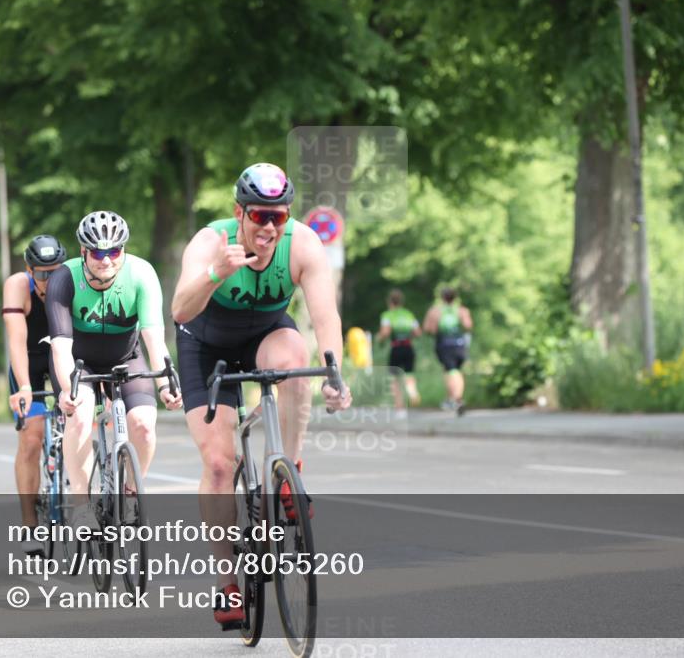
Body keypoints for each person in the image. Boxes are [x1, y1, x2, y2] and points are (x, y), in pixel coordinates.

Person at [170, 162, 352, 630]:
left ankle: (287, 473)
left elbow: (325, 315)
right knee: (218, 463)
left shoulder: (303, 244)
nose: (269, 227)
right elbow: (179, 309)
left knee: (295, 361)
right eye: (259, 216)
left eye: (278, 216)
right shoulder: (212, 242)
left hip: (265, 332)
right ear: (239, 213)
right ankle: (228, 583)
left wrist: (334, 373)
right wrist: (214, 273)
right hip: (204, 343)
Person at [46, 211, 182, 511]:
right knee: (80, 415)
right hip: (79, 363)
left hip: (125, 358)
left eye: (114, 251)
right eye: (97, 252)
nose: (105, 259)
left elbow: (153, 338)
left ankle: (131, 491)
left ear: (124, 250)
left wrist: (165, 385)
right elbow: (60, 347)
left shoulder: (142, 274)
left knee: (144, 425)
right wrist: (69, 391)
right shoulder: (64, 278)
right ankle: (81, 506)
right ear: (83, 251)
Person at [3, 234, 67, 556]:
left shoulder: (72, 279)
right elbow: (16, 342)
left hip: (60, 353)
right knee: (31, 434)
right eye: (42, 273)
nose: (49, 280)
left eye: (55, 272)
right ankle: (30, 524)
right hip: (27, 357)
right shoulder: (17, 286)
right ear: (29, 270)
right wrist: (25, 387)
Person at [424, 287, 473, 415]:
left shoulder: (435, 311)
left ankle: (455, 399)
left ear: (442, 297)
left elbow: (429, 329)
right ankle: (456, 399)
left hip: (444, 344)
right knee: (457, 371)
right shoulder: (462, 310)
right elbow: (468, 326)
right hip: (460, 344)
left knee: (450, 371)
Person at [376, 289, 421, 417]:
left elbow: (385, 333)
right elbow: (418, 332)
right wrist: (408, 336)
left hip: (396, 348)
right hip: (408, 347)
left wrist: (379, 339)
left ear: (390, 301)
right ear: (401, 301)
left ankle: (399, 408)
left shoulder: (388, 315)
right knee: (409, 374)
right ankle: (412, 393)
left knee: (395, 379)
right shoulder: (408, 314)